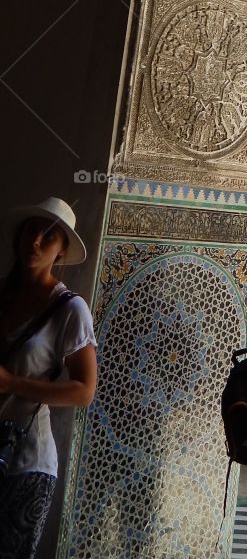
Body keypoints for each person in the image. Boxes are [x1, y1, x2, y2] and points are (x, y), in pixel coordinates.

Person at [0, 198, 97, 559]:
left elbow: (84, 390)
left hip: (25, 462)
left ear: (61, 251)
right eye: (31, 230)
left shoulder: (69, 309)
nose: (36, 241)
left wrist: (12, 383)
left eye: (49, 236)